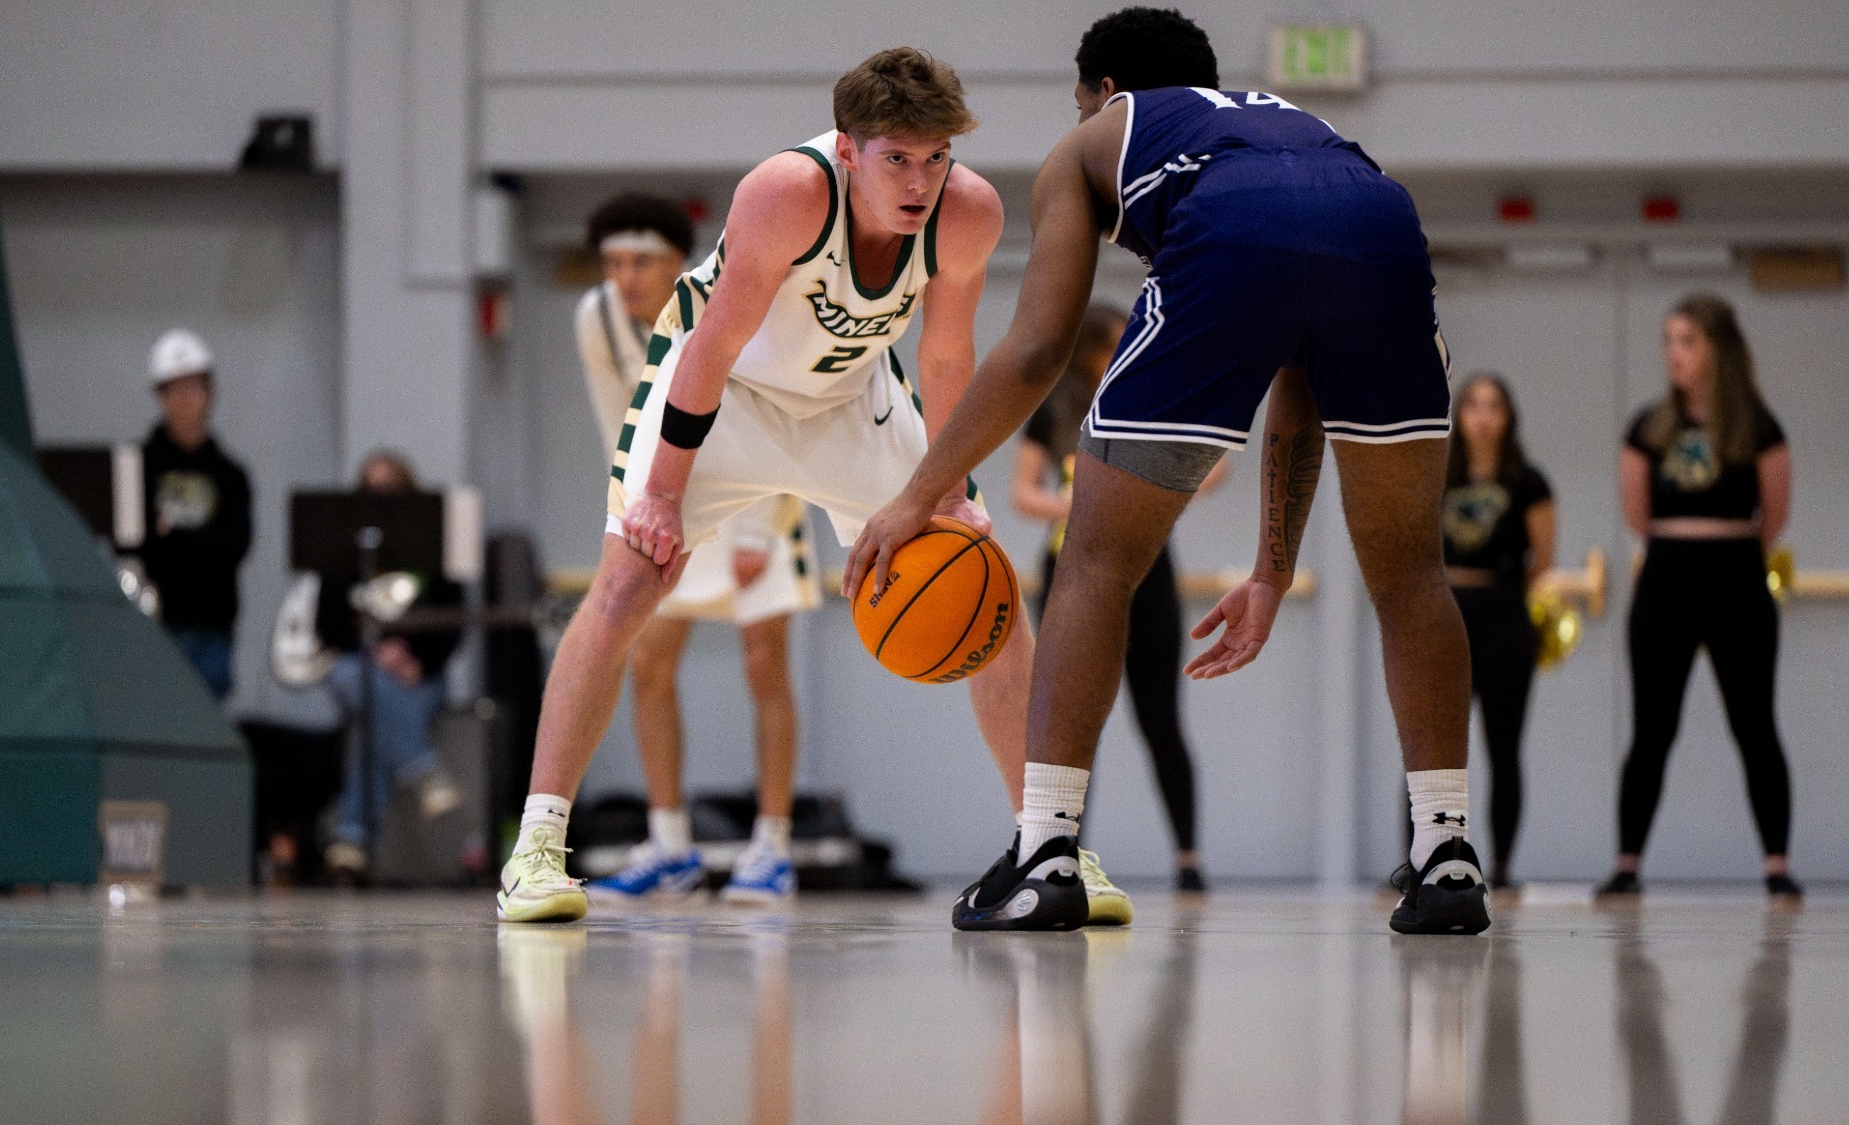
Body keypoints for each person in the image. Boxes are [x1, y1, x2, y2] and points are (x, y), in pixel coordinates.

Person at [846, 7, 1487, 935]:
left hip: (1228, 231)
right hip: (1380, 221)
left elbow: (1035, 352)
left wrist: (915, 495)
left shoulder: (1097, 139)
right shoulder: (1294, 125)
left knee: (1097, 561)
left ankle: (1047, 852)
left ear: (1104, 93)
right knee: (1413, 571)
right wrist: (1272, 569)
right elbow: (1301, 370)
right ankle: (1447, 852)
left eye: (1078, 104)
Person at [499, 48, 1136, 927]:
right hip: (723, 399)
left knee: (988, 590)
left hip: (851, 401)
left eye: (937, 156)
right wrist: (658, 496)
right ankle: (535, 849)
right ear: (848, 150)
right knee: (626, 582)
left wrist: (949, 487)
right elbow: (713, 349)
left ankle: (1048, 846)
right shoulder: (785, 192)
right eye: (898, 158)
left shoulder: (968, 212)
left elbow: (947, 356)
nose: (921, 180)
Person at [573, 192, 820, 904]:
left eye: (641, 262)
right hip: (668, 497)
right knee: (648, 662)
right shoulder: (596, 319)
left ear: (678, 262)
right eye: (614, 263)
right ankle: (670, 844)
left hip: (759, 494)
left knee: (764, 664)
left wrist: (753, 529)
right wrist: (626, 519)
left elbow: (776, 414)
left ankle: (772, 846)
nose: (625, 277)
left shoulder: (723, 299)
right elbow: (613, 426)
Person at [1012, 302, 1224, 892]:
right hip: (1072, 572)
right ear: (1088, 354)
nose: (1125, 351)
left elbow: (1211, 473)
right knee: (1072, 719)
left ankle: (1188, 860)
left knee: (1161, 718)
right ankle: (1062, 852)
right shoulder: (1054, 409)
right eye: (1113, 344)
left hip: (1147, 570)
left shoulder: (1149, 397)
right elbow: (1023, 494)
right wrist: (1084, 507)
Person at [1599, 294, 1800, 900]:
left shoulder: (1759, 427)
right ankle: (1628, 863)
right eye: (1670, 342)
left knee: (1755, 724)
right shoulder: (1648, 428)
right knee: (1652, 729)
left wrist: (1727, 550)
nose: (1675, 354)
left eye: (1688, 341)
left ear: (1720, 349)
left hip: (1738, 577)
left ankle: (1776, 865)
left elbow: (1775, 517)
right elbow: (1637, 515)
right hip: (1666, 580)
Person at [319, 450, 466, 881]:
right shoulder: (344, 553)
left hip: (419, 675)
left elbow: (455, 621)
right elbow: (326, 626)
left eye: (392, 488)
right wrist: (376, 655)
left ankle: (352, 838)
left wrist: (414, 661)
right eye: (371, 489)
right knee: (354, 678)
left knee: (373, 715)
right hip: (361, 666)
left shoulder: (434, 550)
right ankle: (424, 771)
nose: (381, 498)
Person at [1442, 372, 1554, 889]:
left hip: (1504, 613)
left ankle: (1503, 866)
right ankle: (1427, 858)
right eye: (1472, 405)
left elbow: (1543, 556)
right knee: (1435, 746)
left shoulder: (1526, 481)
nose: (1483, 416)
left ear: (1508, 418)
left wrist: (1504, 591)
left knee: (1503, 746)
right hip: (1445, 612)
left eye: (1494, 406)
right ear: (1459, 415)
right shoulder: (1436, 474)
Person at [138, 328, 253, 700]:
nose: (185, 400)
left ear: (209, 393)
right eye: (174, 390)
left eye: (193, 388)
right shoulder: (138, 467)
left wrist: (177, 534)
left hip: (212, 624)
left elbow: (235, 544)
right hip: (155, 624)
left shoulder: (229, 474)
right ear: (160, 397)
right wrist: (200, 537)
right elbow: (137, 543)